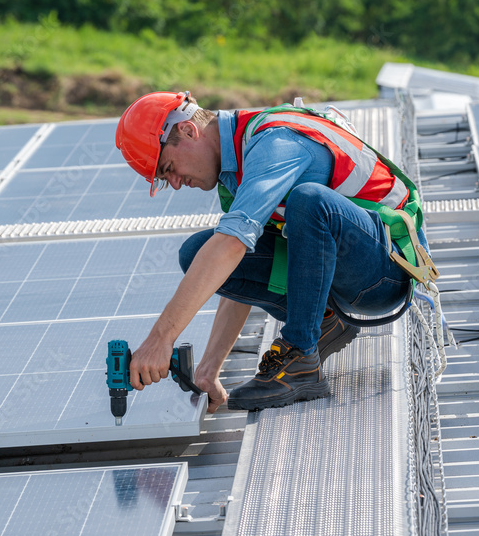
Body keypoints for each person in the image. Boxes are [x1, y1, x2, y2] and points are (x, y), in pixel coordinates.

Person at [115, 91, 432, 413]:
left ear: (187, 130)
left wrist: (161, 338)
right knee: (197, 253)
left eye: (168, 168)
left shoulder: (274, 142)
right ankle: (322, 323)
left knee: (310, 202)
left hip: (386, 272)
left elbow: (230, 244)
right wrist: (208, 370)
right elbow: (231, 257)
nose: (177, 182)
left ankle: (301, 357)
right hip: (343, 270)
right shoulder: (233, 169)